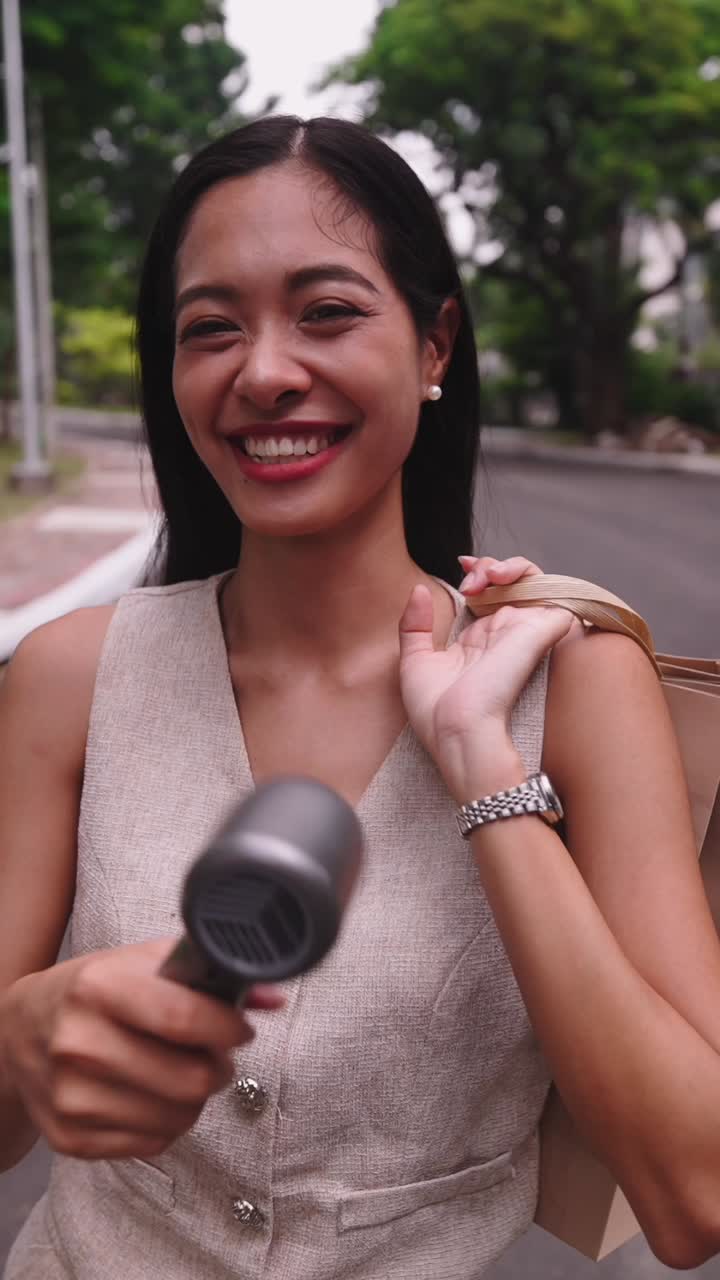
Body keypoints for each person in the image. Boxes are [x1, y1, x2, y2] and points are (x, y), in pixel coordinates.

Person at [1, 116, 719, 1280]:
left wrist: (488, 771)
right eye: (210, 330)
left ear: (435, 345)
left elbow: (696, 1193)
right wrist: (23, 1036)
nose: (265, 369)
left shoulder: (576, 684)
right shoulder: (70, 678)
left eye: (327, 311)